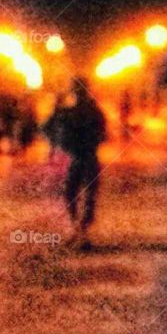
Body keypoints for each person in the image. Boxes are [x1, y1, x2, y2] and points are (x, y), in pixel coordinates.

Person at [61, 77, 106, 248]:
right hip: (89, 157)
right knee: (87, 195)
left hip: (80, 157)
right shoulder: (95, 111)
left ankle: (78, 229)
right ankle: (81, 230)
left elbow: (63, 137)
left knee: (72, 193)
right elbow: (102, 134)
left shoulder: (71, 112)